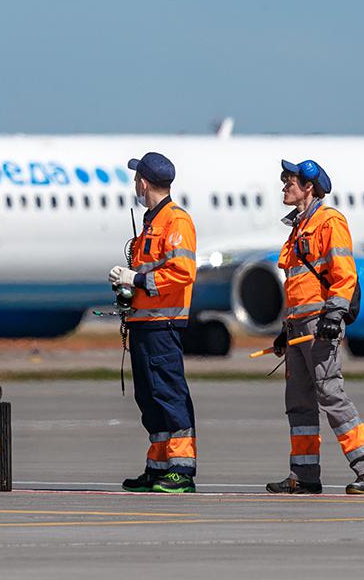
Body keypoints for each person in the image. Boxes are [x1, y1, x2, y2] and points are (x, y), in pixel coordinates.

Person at [265, 159, 364, 495]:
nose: (284, 186)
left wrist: (334, 316)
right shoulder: (297, 228)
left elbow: (344, 274)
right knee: (299, 403)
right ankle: (304, 475)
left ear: (309, 186)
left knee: (331, 395)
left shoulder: (329, 221)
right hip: (298, 327)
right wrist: (285, 328)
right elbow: (297, 285)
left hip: (320, 325)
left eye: (289, 181)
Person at [108, 152, 198, 493]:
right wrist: (127, 286)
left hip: (164, 324)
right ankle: (158, 466)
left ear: (144, 182)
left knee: (169, 395)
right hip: (144, 324)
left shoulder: (176, 221)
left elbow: (182, 273)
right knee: (149, 398)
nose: (135, 184)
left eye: (136, 178)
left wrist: (136, 279)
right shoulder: (151, 222)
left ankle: (182, 470)